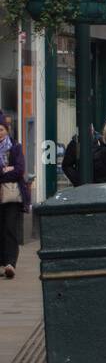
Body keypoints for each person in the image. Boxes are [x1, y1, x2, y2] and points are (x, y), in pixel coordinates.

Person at [0, 114, 30, 279]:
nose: (0, 132)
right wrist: (5, 170)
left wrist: (8, 171)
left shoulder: (15, 147)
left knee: (10, 228)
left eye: (2, 129)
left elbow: (19, 170)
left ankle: (10, 263)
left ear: (7, 130)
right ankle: (2, 262)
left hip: (12, 194)